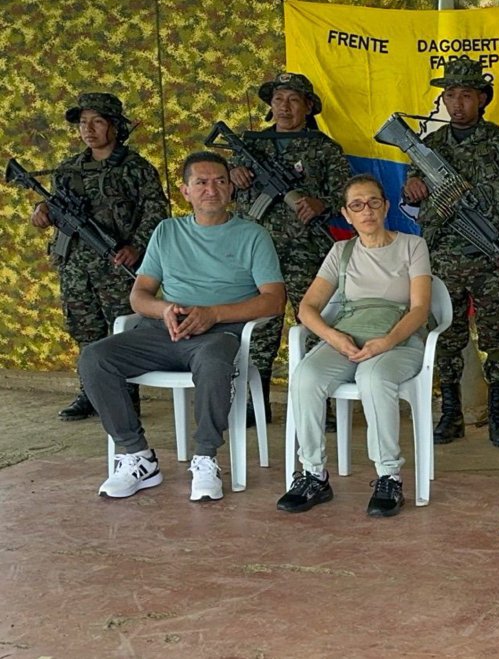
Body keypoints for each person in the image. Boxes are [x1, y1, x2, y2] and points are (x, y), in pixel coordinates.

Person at [82, 151, 284, 502]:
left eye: (220, 181)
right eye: (201, 182)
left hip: (218, 335)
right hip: (162, 332)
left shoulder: (253, 235)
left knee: (215, 361)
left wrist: (214, 314)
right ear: (185, 191)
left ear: (231, 189)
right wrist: (164, 310)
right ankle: (136, 456)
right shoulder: (167, 231)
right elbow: (139, 295)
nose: (211, 189)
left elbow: (274, 300)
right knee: (94, 358)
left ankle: (205, 457)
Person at [403, 57, 499, 448]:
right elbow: (411, 204)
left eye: (466, 95)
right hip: (442, 259)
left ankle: (498, 418)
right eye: (450, 94)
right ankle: (451, 415)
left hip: (491, 258)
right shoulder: (428, 148)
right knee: (446, 338)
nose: (457, 103)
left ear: (482, 98)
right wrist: (411, 184)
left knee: (497, 336)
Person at [277, 174, 431, 517]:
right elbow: (306, 307)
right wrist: (335, 337)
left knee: (373, 378)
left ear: (386, 206)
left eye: (374, 202)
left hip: (398, 337)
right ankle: (314, 474)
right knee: (306, 377)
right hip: (348, 334)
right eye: (357, 205)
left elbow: (420, 308)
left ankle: (389, 477)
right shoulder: (340, 251)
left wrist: (386, 342)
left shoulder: (412, 246)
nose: (367, 211)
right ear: (346, 214)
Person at [29, 93, 168, 421]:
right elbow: (53, 206)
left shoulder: (135, 168)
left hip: (118, 265)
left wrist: (137, 246)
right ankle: (90, 392)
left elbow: (156, 211)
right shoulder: (67, 169)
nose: (88, 129)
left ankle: (125, 399)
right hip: (76, 266)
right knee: (84, 330)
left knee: (122, 333)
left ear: (115, 127)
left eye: (98, 122)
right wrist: (41, 211)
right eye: (82, 123)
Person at [231, 72, 352, 424]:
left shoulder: (324, 148)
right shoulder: (251, 145)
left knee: (315, 323)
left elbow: (347, 196)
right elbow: (224, 193)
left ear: (308, 106)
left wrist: (321, 204)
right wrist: (235, 176)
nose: (284, 107)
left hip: (307, 250)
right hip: (258, 251)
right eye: (278, 99)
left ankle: (321, 402)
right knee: (258, 327)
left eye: (293, 100)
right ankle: (256, 400)